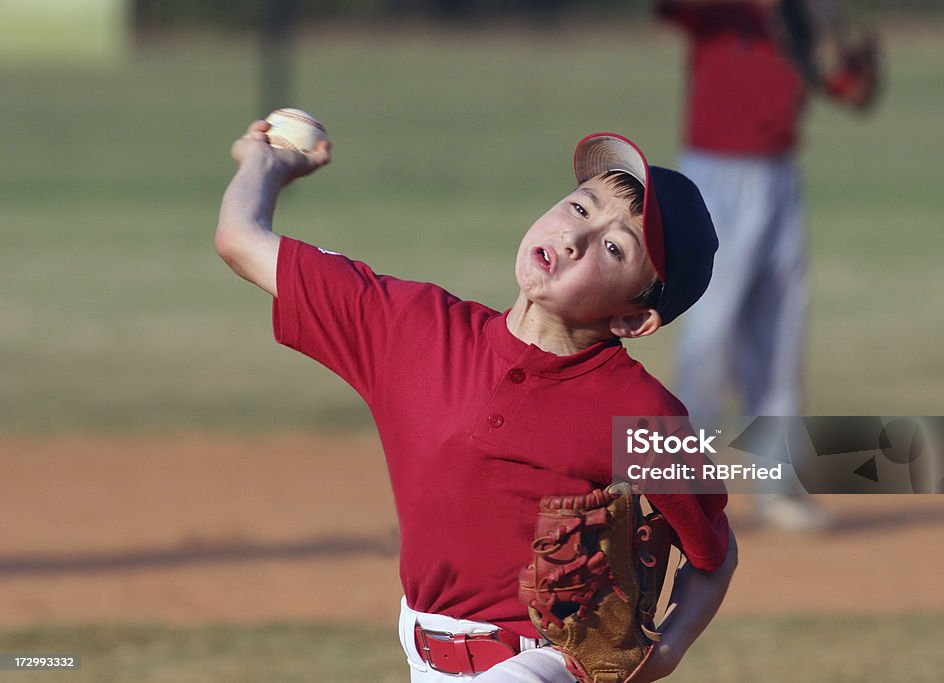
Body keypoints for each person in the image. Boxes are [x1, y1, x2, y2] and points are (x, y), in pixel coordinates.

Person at [215, 122, 738, 681]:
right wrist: (262, 166)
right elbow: (241, 239)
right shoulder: (411, 329)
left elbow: (712, 549)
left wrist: (669, 649)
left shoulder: (640, 413)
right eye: (582, 208)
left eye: (614, 247)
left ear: (634, 318)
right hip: (425, 656)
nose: (572, 238)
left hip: (541, 664)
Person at [655, 0, 878, 533]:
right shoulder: (726, 11)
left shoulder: (799, 15)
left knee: (779, 335)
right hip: (715, 177)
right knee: (707, 339)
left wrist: (849, 61)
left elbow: (848, 88)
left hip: (779, 177)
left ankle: (778, 488)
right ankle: (676, 487)